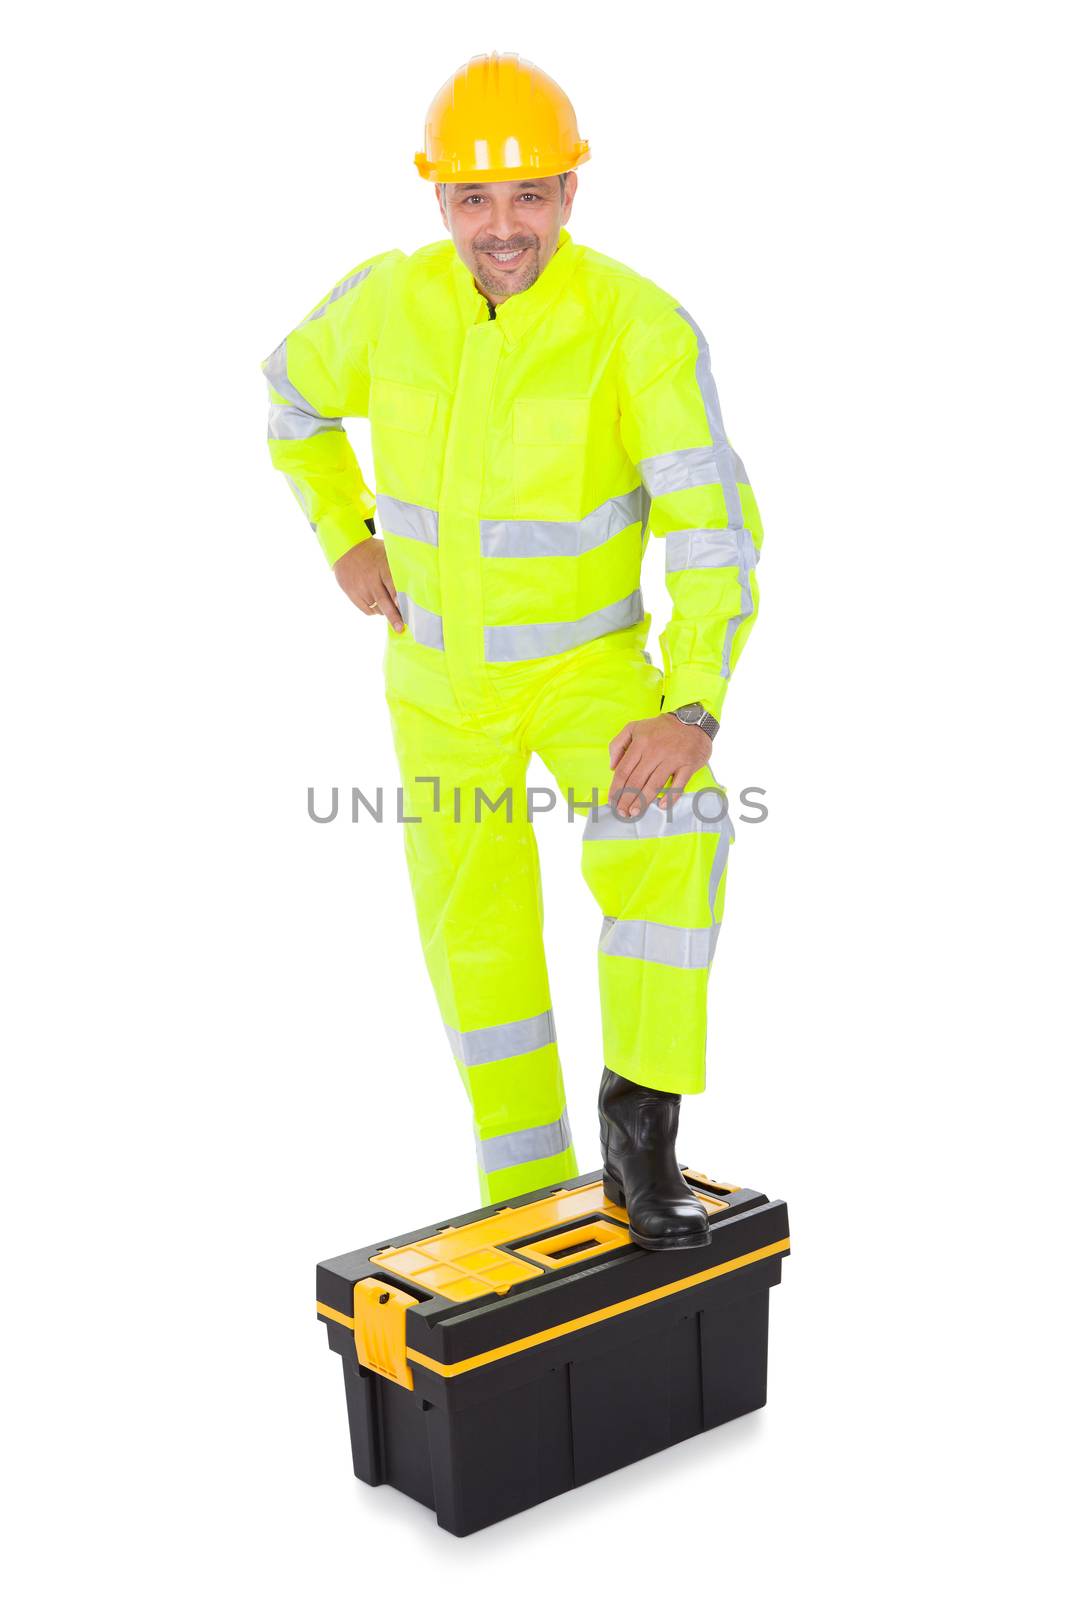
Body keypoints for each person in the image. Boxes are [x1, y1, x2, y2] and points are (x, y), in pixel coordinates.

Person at [262, 52, 763, 1250]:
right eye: (475, 200)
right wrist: (345, 534)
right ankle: (523, 1196)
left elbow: (710, 526)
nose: (503, 227)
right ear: (435, 196)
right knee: (473, 936)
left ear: (571, 193)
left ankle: (640, 1138)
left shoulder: (632, 326)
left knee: (677, 825)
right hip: (436, 688)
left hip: (588, 675)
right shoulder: (384, 303)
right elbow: (291, 401)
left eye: (530, 194)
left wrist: (689, 707)